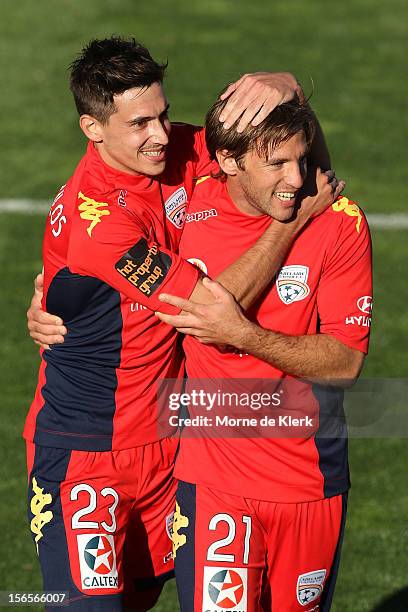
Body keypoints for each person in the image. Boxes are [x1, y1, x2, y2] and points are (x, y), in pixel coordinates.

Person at [24, 36, 342, 611]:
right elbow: (207, 310)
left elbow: (302, 168)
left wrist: (287, 85)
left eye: (163, 114)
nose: (160, 135)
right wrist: (291, 226)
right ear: (93, 129)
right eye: (140, 123)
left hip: (171, 447)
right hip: (88, 455)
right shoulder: (100, 225)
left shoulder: (177, 150)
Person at [154, 97, 372, 611]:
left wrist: (247, 335)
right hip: (214, 485)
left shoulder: (339, 220)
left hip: (308, 485)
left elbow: (345, 362)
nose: (297, 179)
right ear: (228, 162)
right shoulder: (185, 204)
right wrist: (50, 292)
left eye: (302, 158)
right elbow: (104, 219)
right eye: (276, 163)